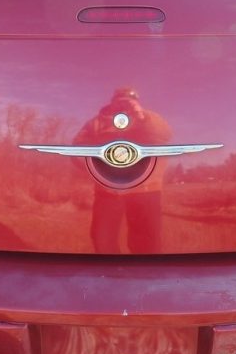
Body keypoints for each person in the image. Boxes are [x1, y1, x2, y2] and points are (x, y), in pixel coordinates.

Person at [74, 88, 172, 254]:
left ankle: (145, 277)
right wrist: (96, 171)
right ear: (112, 101)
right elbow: (77, 148)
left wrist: (140, 115)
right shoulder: (97, 122)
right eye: (120, 99)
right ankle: (112, 274)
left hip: (146, 188)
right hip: (107, 190)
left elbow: (164, 135)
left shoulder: (149, 118)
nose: (124, 103)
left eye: (130, 100)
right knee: (102, 238)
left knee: (147, 242)